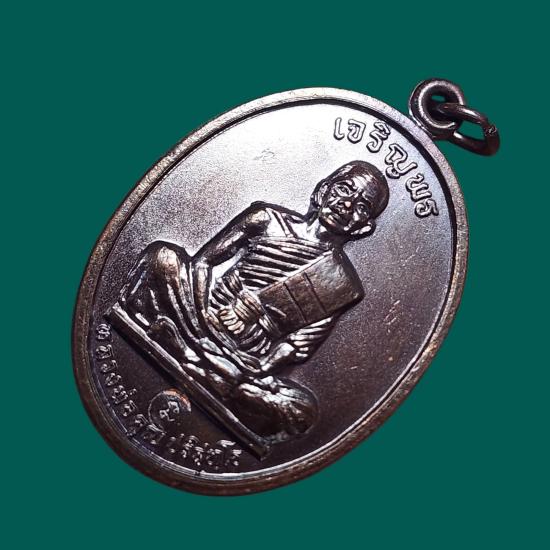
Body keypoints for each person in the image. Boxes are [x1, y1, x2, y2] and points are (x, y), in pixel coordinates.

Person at [117, 160, 389, 443]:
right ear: (323, 190)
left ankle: (186, 350)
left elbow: (296, 346)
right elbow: (203, 263)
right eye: (344, 189)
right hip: (200, 316)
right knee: (162, 258)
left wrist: (260, 368)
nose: (347, 205)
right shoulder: (266, 218)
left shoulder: (343, 284)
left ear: (363, 228)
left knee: (301, 411)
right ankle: (212, 371)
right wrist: (203, 313)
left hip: (245, 356)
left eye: (361, 207)